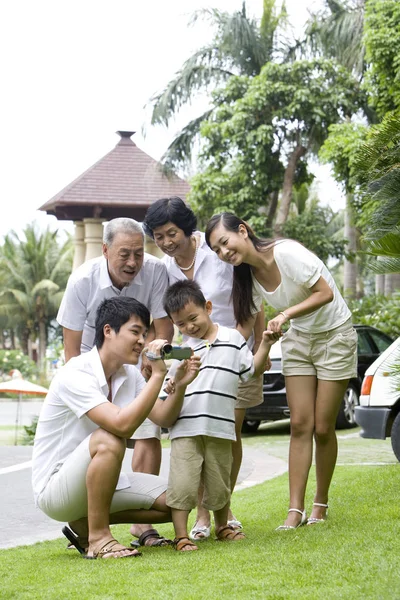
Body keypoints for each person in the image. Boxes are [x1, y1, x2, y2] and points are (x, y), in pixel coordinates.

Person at [206, 212, 358, 530]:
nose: (223, 253)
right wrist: (219, 352)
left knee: (322, 428)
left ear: (243, 231)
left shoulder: (286, 252)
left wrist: (285, 314)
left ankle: (320, 504)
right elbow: (244, 325)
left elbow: (325, 293)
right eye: (217, 251)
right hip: (299, 339)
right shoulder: (248, 276)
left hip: (335, 335)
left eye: (224, 242)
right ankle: (294, 511)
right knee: (300, 424)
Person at [32, 296, 200, 559]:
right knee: (109, 438)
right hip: (57, 488)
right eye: (135, 332)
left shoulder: (128, 374)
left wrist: (180, 383)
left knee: (177, 501)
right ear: (108, 331)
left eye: (145, 334)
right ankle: (99, 538)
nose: (142, 342)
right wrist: (157, 375)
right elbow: (121, 424)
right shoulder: (75, 373)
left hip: (101, 483)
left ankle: (83, 524)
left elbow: (164, 417)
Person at [143, 197, 266, 540]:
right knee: (194, 434)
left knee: (228, 434)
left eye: (172, 233)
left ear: (188, 229)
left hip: (234, 351)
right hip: (193, 361)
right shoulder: (164, 269)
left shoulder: (218, 252)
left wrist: (257, 345)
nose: (167, 242)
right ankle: (201, 514)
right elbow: (168, 321)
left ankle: (222, 509)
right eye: (159, 237)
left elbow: (252, 302)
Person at [56, 217, 174, 547]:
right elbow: (71, 350)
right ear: (105, 250)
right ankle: (88, 523)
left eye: (138, 253)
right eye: (124, 254)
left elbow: (163, 328)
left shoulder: (154, 271)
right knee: (102, 438)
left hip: (138, 366)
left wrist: (154, 366)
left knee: (149, 432)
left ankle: (141, 526)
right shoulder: (82, 280)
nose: (133, 262)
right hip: (90, 368)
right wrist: (85, 391)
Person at [161, 279, 278, 551]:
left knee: (219, 481)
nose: (189, 327)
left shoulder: (234, 339)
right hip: (185, 428)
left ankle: (222, 526)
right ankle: (181, 535)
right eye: (181, 324)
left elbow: (252, 370)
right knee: (183, 483)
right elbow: (168, 389)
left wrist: (266, 344)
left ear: (209, 308)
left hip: (221, 427)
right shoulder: (181, 352)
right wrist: (171, 384)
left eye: (193, 318)